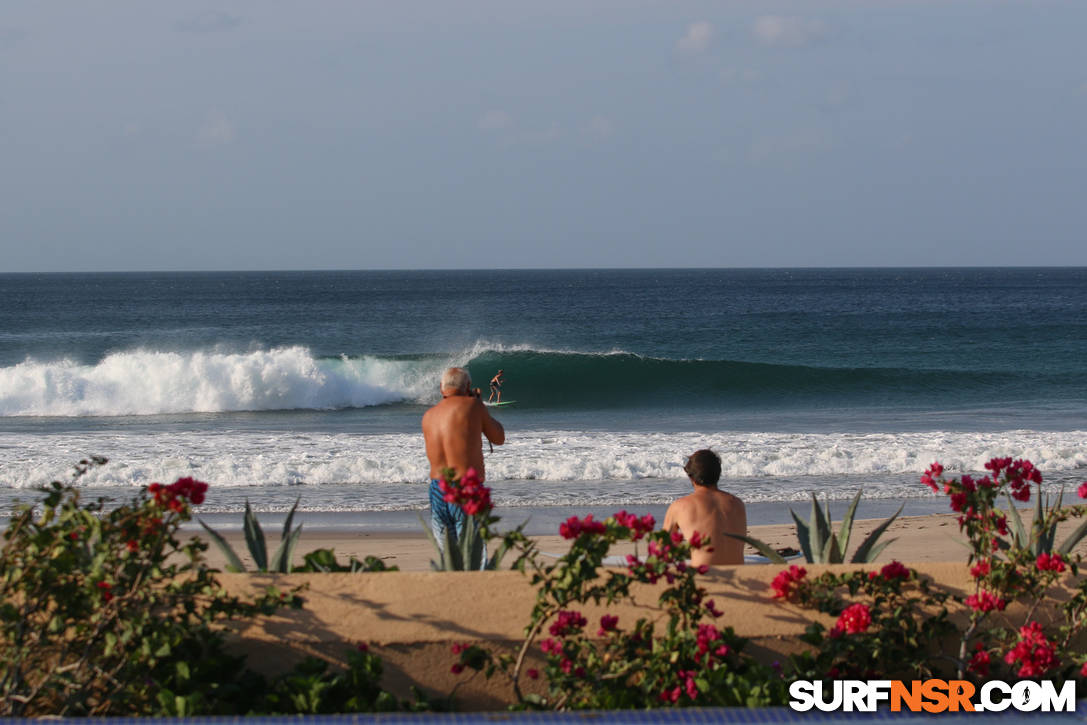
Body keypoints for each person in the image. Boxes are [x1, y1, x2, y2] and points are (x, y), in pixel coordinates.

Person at [423, 367, 505, 543]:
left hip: (438, 488)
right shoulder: (473, 407)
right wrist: (480, 405)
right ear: (468, 385)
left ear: (441, 387)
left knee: (448, 553)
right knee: (471, 553)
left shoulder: (428, 415)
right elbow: (498, 437)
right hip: (466, 486)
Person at [663, 449, 747, 566]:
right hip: (741, 576)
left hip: (706, 578)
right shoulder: (738, 504)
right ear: (718, 474)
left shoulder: (680, 506)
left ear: (691, 477)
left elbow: (663, 551)